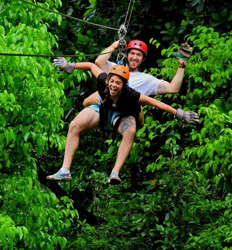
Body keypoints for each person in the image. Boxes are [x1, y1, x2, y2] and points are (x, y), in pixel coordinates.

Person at [46, 59, 199, 184]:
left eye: (118, 83)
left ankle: (115, 173)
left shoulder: (131, 94)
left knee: (131, 130)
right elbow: (92, 65)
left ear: (123, 85)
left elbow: (156, 103)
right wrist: (70, 66)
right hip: (103, 109)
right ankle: (65, 170)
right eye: (112, 82)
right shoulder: (104, 80)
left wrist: (179, 114)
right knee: (74, 125)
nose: (113, 85)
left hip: (123, 115)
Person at [83, 39, 192, 127]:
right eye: (132, 53)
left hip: (124, 114)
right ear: (127, 54)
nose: (134, 57)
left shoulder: (146, 79)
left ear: (142, 59)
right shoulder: (115, 69)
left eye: (138, 55)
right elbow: (98, 62)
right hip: (105, 107)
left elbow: (173, 88)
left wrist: (181, 65)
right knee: (85, 103)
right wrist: (116, 44)